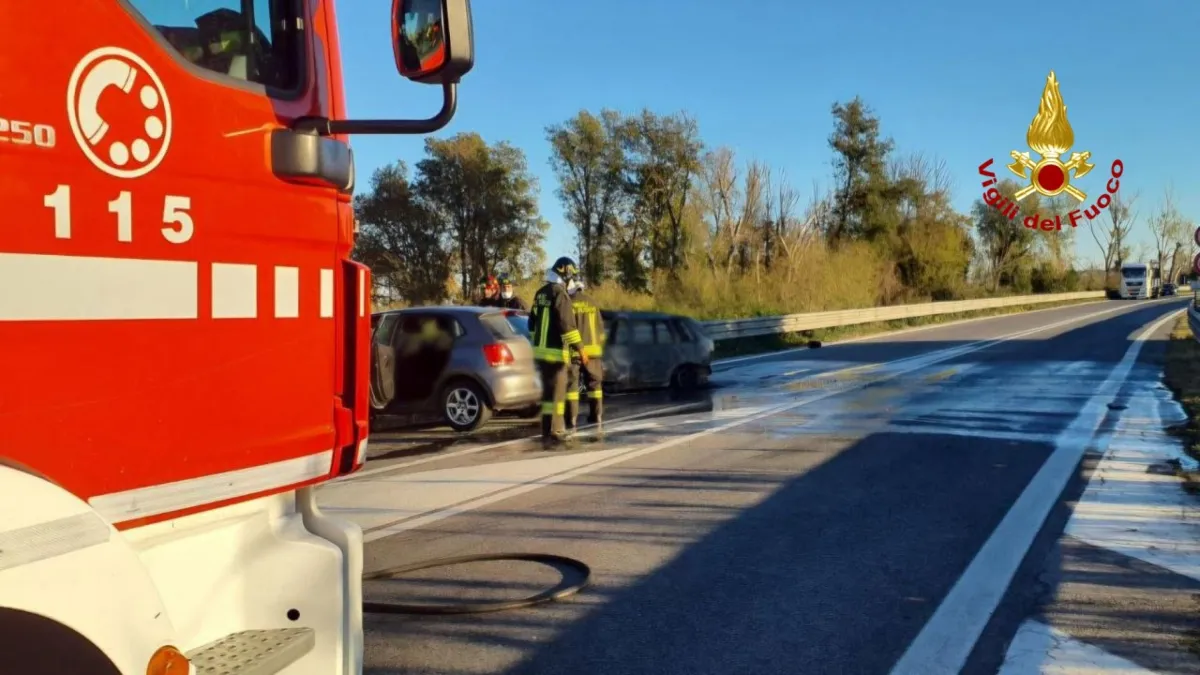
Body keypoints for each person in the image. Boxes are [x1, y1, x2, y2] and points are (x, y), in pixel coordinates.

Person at [529, 257, 588, 445]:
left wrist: (538, 342)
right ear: (566, 274)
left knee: (547, 394)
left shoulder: (540, 294)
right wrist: (581, 349)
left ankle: (546, 428)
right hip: (555, 354)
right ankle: (556, 429)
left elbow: (531, 323)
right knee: (557, 394)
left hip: (540, 353)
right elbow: (567, 325)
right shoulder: (560, 294)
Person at [565, 278, 605, 429]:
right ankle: (597, 416)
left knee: (572, 387)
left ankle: (571, 419)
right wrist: (600, 346)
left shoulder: (569, 303)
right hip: (594, 352)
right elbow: (600, 327)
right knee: (595, 386)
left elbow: (567, 327)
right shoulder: (592, 302)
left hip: (575, 352)